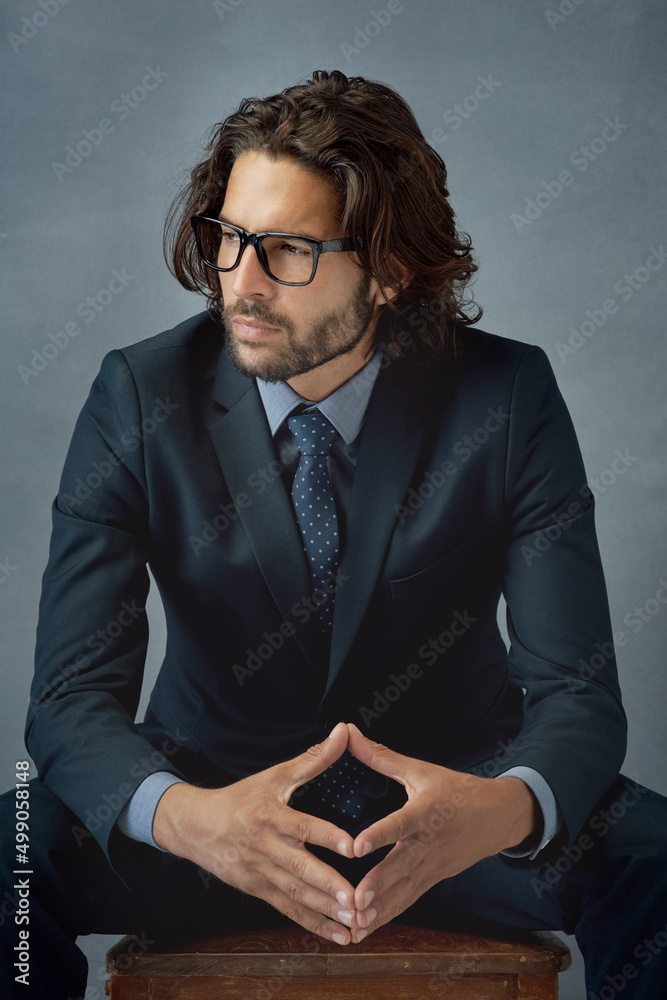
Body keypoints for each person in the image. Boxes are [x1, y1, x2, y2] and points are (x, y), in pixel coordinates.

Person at [1, 70, 665, 1000]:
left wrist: (493, 811)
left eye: (285, 251)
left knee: (658, 858)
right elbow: (70, 697)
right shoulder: (138, 397)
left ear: (390, 268)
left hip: (449, 818)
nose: (239, 280)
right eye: (227, 238)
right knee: (9, 855)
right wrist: (193, 820)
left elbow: (578, 697)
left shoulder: (507, 399)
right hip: (208, 814)